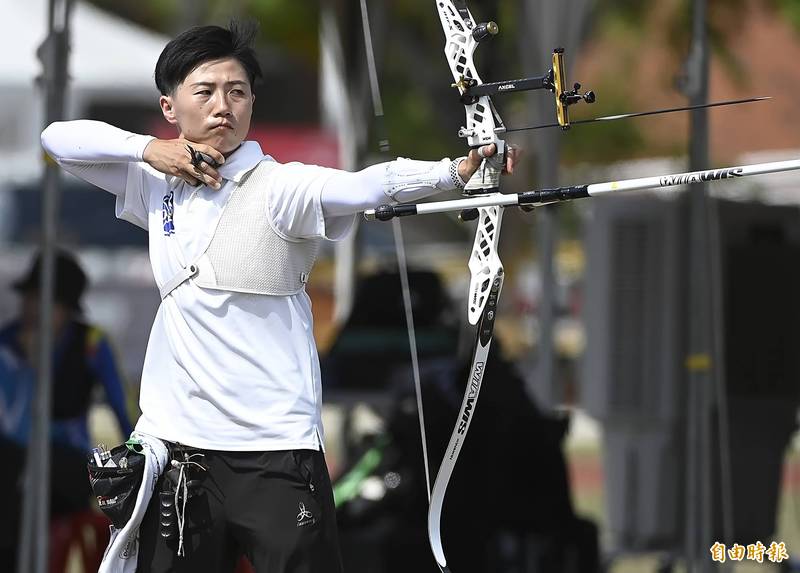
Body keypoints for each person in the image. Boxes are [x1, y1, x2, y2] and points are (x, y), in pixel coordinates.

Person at [40, 20, 517, 573]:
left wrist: (455, 172)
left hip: (276, 449)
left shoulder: (281, 187)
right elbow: (58, 138)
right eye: (206, 91)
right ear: (169, 107)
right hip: (180, 451)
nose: (224, 105)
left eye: (237, 92)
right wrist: (150, 150)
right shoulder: (153, 181)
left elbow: (365, 185)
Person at [0, 249, 134, 569]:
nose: (33, 308)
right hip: (14, 461)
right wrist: (26, 368)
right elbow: (12, 422)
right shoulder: (7, 344)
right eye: (30, 298)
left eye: (44, 300)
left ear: (64, 308)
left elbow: (124, 414)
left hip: (67, 463)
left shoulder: (91, 343)